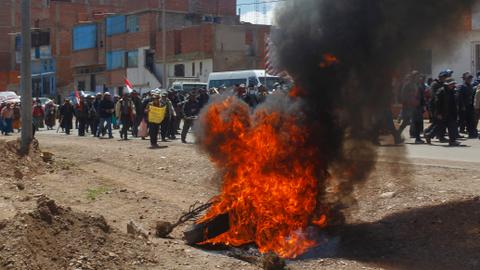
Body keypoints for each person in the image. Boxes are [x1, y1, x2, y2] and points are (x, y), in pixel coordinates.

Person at [425, 78, 461, 146]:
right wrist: (438, 113)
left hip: (450, 113)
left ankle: (452, 141)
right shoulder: (441, 91)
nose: (452, 85)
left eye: (453, 84)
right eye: (451, 84)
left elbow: (453, 102)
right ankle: (428, 135)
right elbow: (437, 103)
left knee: (452, 126)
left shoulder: (452, 91)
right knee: (439, 127)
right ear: (447, 84)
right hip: (443, 113)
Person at [397, 71, 426, 144]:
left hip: (417, 107)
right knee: (406, 122)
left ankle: (418, 138)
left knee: (417, 122)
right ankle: (397, 135)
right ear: (413, 77)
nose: (419, 78)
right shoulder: (407, 84)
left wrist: (423, 105)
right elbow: (403, 95)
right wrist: (408, 103)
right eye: (417, 76)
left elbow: (421, 96)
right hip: (409, 107)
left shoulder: (418, 85)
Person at [424, 71, 450, 142]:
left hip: (441, 106)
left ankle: (436, 135)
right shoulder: (435, 84)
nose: (445, 78)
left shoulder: (443, 84)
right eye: (444, 77)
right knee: (439, 122)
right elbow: (433, 96)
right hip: (435, 106)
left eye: (445, 77)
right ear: (440, 77)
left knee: (439, 123)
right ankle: (429, 134)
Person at [456, 72, 478, 138]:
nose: (470, 79)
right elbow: (459, 97)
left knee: (471, 120)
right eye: (468, 78)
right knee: (461, 121)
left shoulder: (471, 86)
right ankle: (456, 133)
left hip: (470, 106)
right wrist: (462, 106)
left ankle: (471, 133)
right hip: (463, 106)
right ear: (465, 79)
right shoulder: (462, 86)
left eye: (470, 78)